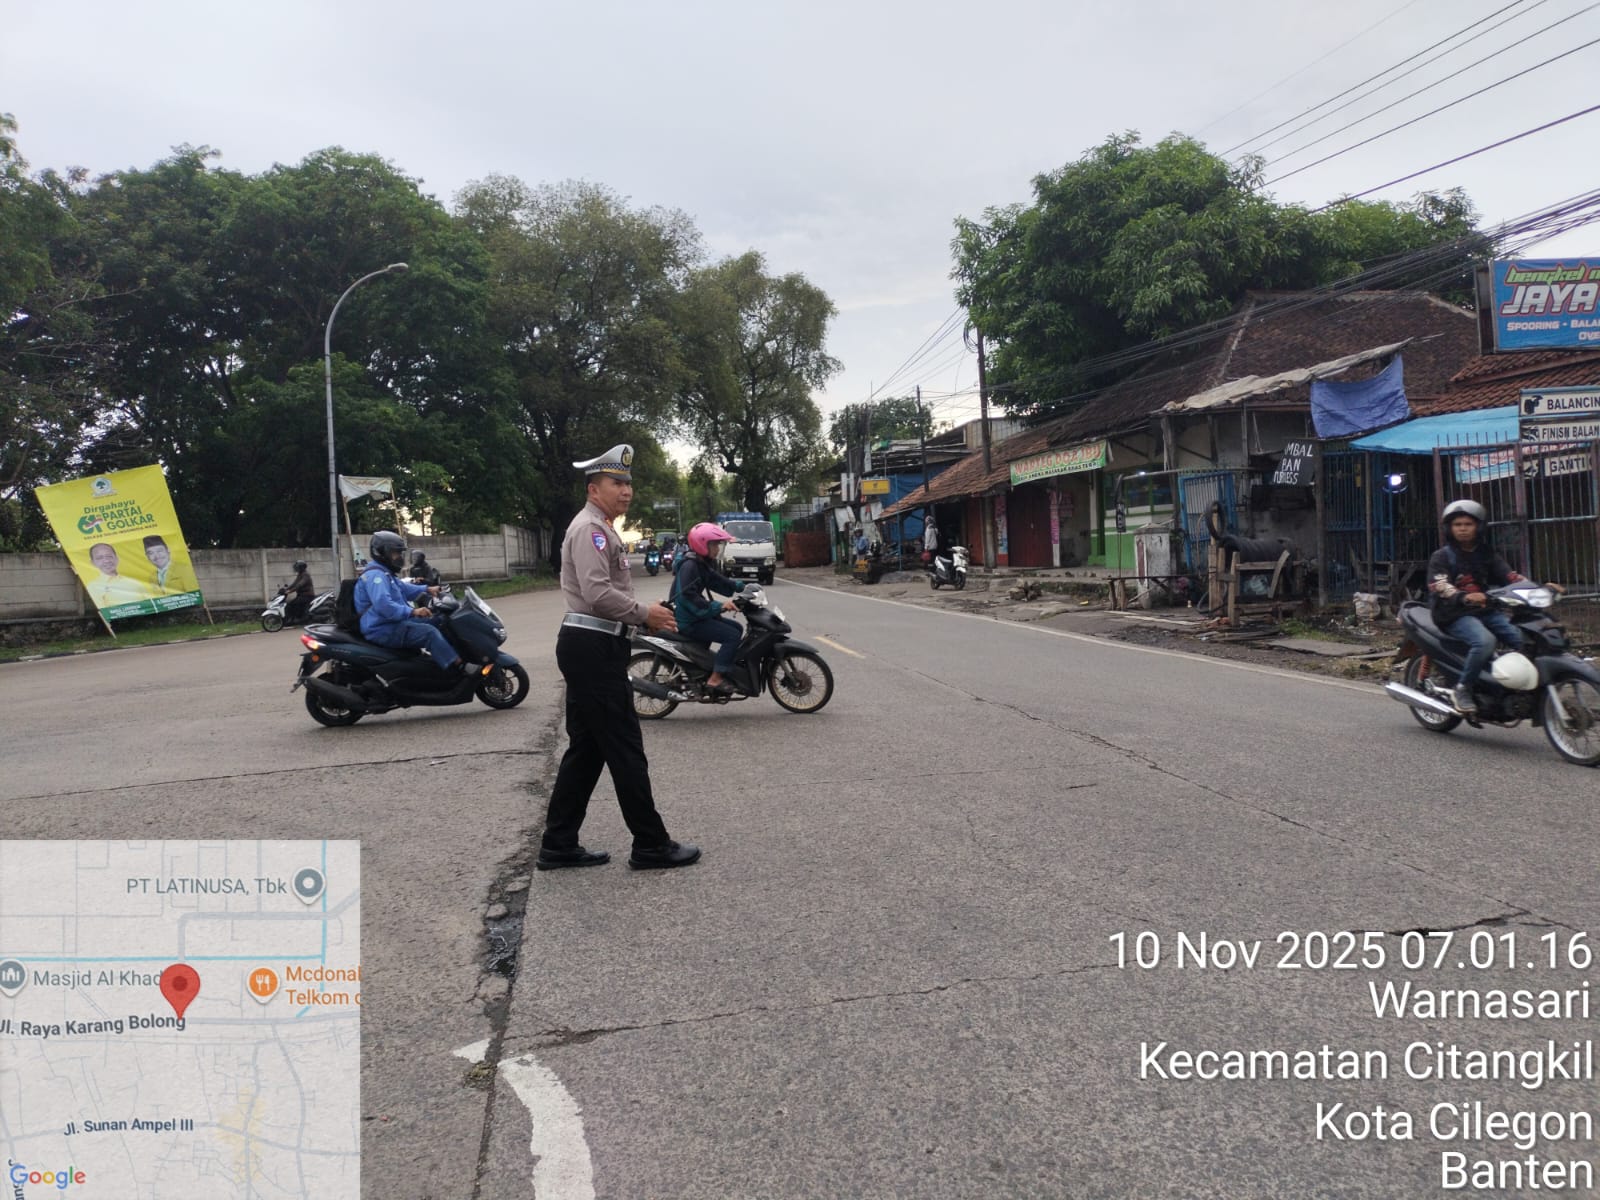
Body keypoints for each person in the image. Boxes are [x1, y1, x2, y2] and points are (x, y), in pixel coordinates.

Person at [538, 444, 700, 873]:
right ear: (594, 489)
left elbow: (603, 597)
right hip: (592, 648)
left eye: (628, 483)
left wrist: (642, 621)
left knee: (588, 750)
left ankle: (558, 844)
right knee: (625, 747)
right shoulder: (590, 530)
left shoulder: (601, 528)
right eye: (617, 483)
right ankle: (651, 845)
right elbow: (596, 593)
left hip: (592, 645)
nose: (626, 490)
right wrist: (644, 613)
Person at [1427, 499, 1525, 715]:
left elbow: (1509, 576)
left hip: (1485, 610)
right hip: (1453, 613)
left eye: (1468, 524)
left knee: (1523, 638)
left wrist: (1537, 587)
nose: (1462, 529)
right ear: (1450, 528)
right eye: (1457, 525)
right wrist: (1464, 596)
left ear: (1479, 527)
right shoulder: (1442, 556)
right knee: (1485, 641)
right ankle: (1463, 688)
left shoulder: (1487, 553)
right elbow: (1440, 585)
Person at [354, 531, 460, 671]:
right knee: (429, 633)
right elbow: (384, 605)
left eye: (400, 553)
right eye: (395, 553)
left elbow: (403, 588)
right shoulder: (376, 576)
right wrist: (413, 611)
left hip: (392, 623)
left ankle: (453, 654)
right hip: (381, 629)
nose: (399, 557)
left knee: (439, 620)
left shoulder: (385, 572)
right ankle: (454, 667)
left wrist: (427, 589)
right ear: (382, 553)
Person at [673, 522, 748, 695]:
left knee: (737, 627)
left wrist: (741, 587)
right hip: (688, 620)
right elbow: (688, 597)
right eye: (714, 544)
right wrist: (719, 606)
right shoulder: (690, 566)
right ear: (702, 544)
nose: (718, 549)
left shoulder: (700, 563)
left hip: (693, 616)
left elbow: (716, 580)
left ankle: (716, 665)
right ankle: (715, 678)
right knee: (732, 635)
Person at [85, 542, 157, 608]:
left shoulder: (134, 582)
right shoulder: (93, 587)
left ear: (117, 559)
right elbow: (103, 612)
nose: (106, 561)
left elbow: (151, 605)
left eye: (109, 556)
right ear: (93, 563)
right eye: (99, 558)